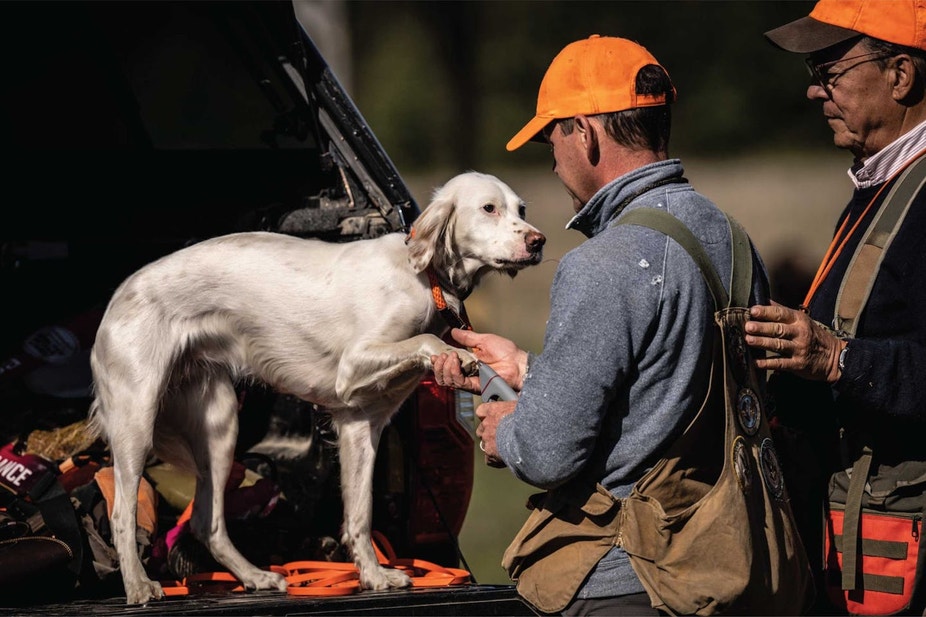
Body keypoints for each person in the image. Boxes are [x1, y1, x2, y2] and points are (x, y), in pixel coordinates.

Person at [431, 35, 770, 616]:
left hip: (630, 580)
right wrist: (526, 371)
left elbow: (545, 454)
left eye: (551, 136)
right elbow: (664, 388)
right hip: (732, 564)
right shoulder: (732, 237)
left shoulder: (603, 262)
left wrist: (503, 428)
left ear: (584, 132)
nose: (552, 159)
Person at [746, 1, 926, 613]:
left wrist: (833, 357)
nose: (813, 90)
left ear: (901, 75)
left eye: (829, 69)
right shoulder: (887, 183)